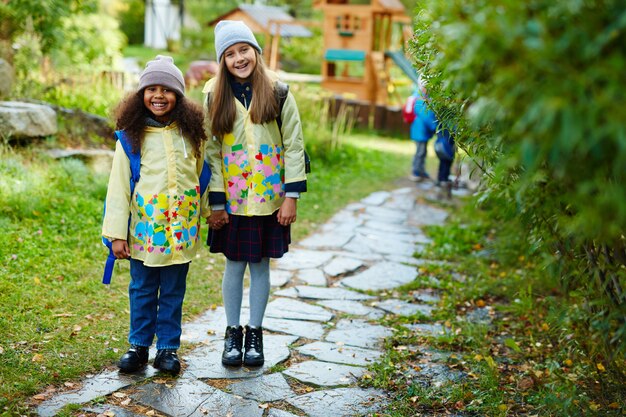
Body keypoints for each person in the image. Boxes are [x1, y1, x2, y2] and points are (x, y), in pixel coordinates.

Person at [202, 20, 307, 367]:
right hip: (231, 201)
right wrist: (216, 202)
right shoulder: (213, 94)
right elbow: (211, 152)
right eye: (230, 54)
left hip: (269, 199)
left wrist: (290, 196)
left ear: (255, 51)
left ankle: (255, 335)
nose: (238, 58)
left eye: (244, 49)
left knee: (260, 266)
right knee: (234, 266)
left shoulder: (278, 91)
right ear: (222, 60)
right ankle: (232, 333)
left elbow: (293, 145)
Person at [102, 55, 209, 375]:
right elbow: (118, 187)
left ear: (179, 96)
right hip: (145, 232)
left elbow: (202, 176)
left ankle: (167, 349)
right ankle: (138, 346)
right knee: (143, 288)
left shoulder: (191, 134)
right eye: (151, 89)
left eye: (167, 89)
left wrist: (208, 211)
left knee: (174, 290)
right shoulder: (130, 138)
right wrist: (117, 233)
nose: (158, 96)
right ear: (141, 95)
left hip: (181, 230)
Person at [408, 83, 437, 182]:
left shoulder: (421, 97)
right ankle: (416, 172)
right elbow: (426, 116)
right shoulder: (420, 99)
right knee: (420, 152)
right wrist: (434, 127)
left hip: (421, 131)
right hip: (420, 132)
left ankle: (421, 171)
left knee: (422, 151)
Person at [434, 124, 456, 199]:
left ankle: (442, 178)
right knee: (446, 161)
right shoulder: (448, 119)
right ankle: (443, 179)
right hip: (446, 143)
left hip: (443, 142)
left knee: (444, 161)